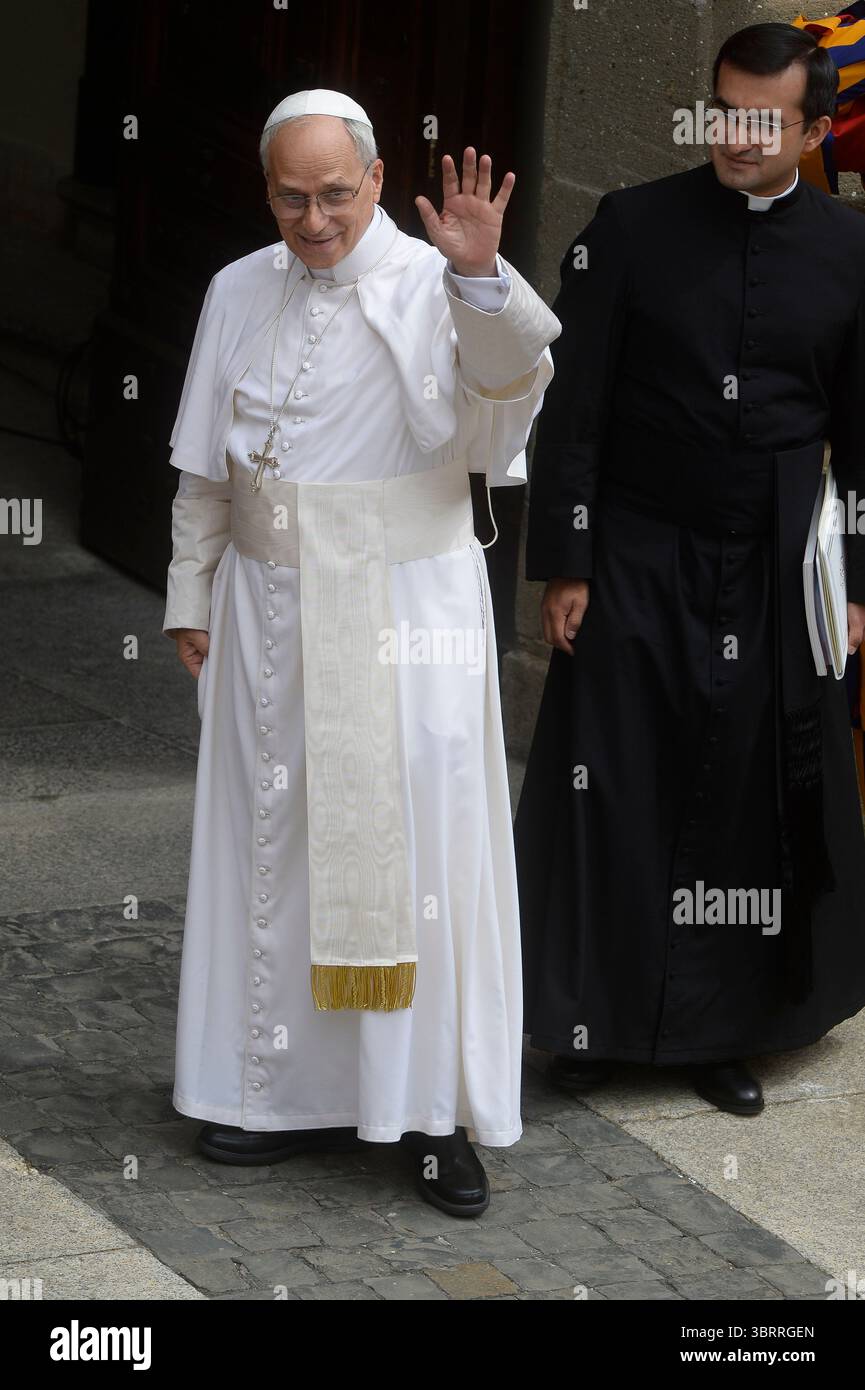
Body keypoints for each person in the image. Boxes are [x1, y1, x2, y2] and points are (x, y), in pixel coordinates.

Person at [162, 88, 560, 1216]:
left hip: (405, 615)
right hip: (266, 609)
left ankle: (431, 1119)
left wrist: (482, 279)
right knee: (268, 845)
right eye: (291, 196)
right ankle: (264, 1090)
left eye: (336, 193)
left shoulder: (441, 283)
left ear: (378, 180)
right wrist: (191, 593)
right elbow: (205, 469)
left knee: (418, 858)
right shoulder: (238, 286)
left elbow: (496, 421)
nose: (315, 218)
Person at [515, 23, 865, 1116]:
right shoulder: (631, 226)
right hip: (636, 542)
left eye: (765, 120)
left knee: (747, 796)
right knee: (612, 779)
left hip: (776, 555)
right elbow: (570, 406)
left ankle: (725, 1030)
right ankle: (587, 1018)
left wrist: (853, 585)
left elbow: (860, 437)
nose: (737, 137)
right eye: (725, 111)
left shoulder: (851, 253)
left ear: (813, 130)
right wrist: (565, 560)